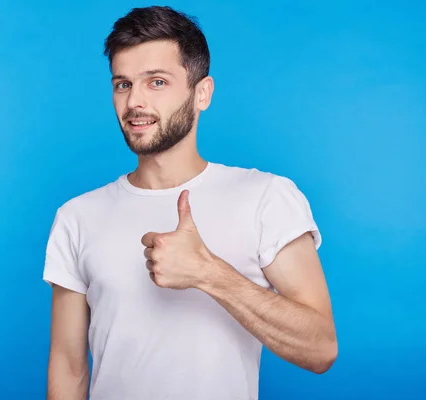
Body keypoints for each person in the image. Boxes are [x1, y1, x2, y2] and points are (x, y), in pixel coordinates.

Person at [43, 5, 337, 400]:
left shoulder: (266, 197)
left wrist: (208, 273)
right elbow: (68, 366)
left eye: (157, 82)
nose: (135, 103)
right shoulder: (77, 216)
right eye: (123, 84)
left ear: (202, 93)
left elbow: (320, 349)